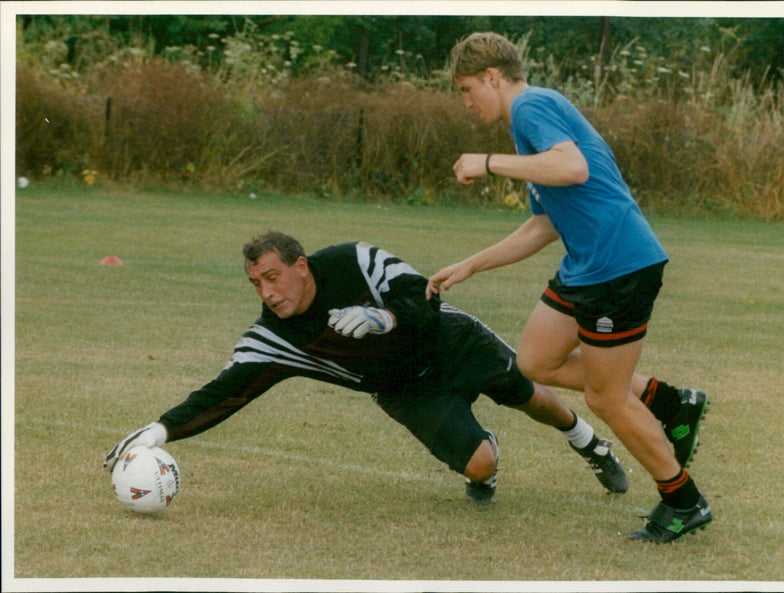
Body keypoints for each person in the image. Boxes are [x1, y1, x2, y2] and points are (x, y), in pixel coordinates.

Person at [426, 32, 711, 541]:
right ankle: (671, 403)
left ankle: (683, 501)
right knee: (535, 361)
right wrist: (471, 265)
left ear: (493, 77)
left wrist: (486, 162)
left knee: (607, 398)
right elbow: (545, 225)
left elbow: (573, 167)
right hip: (586, 264)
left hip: (618, 263)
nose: (466, 102)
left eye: (468, 89)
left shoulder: (532, 105)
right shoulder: (524, 128)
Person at [104, 230, 630, 505]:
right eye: (256, 284)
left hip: (449, 343)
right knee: (480, 466)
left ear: (301, 266)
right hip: (405, 392)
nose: (267, 292)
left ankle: (587, 441)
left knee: (531, 396)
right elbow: (225, 392)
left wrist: (382, 316)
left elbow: (425, 297)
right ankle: (483, 447)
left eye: (272, 277)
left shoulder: (356, 260)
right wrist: (162, 428)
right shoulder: (273, 337)